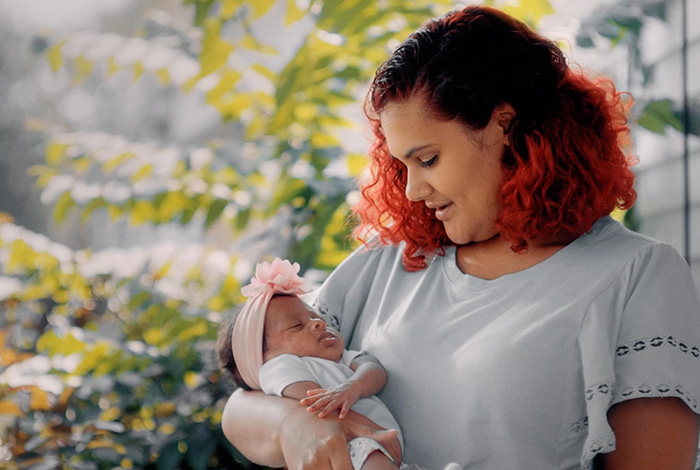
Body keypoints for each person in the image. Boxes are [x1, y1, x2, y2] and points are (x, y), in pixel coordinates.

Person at [221, 5, 700, 470]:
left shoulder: (636, 274)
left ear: (505, 125)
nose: (411, 189)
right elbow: (244, 402)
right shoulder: (385, 267)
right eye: (401, 165)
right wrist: (291, 426)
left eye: (427, 159)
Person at [217, 258, 407, 470]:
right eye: (296, 326)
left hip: (378, 444)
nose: (318, 323)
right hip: (347, 443)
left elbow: (374, 371)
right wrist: (365, 426)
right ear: (263, 358)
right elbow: (315, 405)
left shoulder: (339, 358)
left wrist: (353, 387)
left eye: (315, 317)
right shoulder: (280, 365)